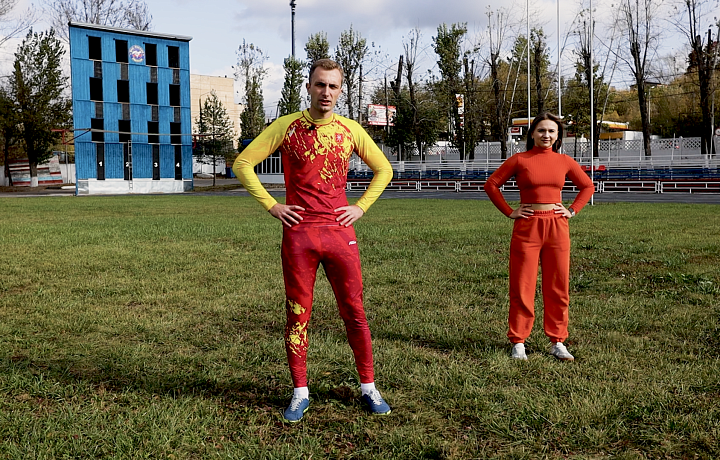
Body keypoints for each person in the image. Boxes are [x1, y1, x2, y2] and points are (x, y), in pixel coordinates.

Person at [232, 58, 393, 422]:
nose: (326, 92)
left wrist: (361, 207)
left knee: (354, 311)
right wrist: (272, 205)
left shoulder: (350, 130)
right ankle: (300, 392)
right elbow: (242, 163)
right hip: (299, 236)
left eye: (333, 86)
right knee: (297, 313)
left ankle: (368, 386)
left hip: (339, 233)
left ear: (341, 91)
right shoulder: (287, 126)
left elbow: (384, 169)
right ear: (308, 87)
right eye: (320, 85)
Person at [483, 112, 594, 362]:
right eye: (542, 130)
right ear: (532, 133)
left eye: (552, 131)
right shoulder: (520, 160)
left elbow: (587, 186)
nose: (546, 135)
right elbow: (491, 184)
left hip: (557, 227)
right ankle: (518, 341)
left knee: (558, 286)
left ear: (558, 136)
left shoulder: (564, 161)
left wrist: (572, 210)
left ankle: (557, 341)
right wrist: (510, 211)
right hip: (527, 227)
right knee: (522, 285)